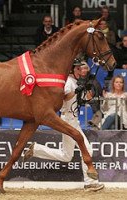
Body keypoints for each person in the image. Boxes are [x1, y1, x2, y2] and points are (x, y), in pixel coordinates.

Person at [23, 60, 105, 192]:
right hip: (68, 120)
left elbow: (86, 99)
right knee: (87, 150)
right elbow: (61, 99)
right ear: (72, 70)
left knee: (66, 156)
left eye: (81, 69)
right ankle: (91, 182)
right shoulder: (67, 82)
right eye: (78, 69)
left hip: (73, 119)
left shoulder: (76, 83)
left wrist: (87, 90)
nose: (81, 71)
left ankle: (36, 149)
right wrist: (76, 92)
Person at [78, 61, 103, 129]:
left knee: (95, 103)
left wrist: (92, 95)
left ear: (88, 69)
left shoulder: (93, 79)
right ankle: (95, 121)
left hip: (93, 100)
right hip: (79, 100)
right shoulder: (75, 79)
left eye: (85, 68)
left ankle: (94, 122)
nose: (83, 70)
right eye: (81, 68)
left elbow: (99, 91)